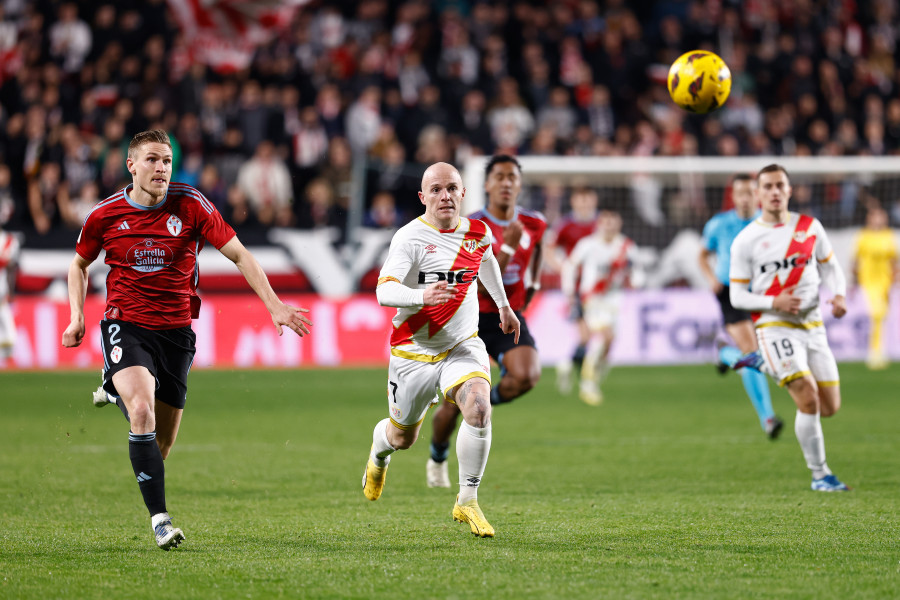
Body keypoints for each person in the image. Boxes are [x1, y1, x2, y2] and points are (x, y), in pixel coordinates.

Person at [62, 130, 313, 550]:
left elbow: (240, 254)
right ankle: (160, 521)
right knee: (142, 412)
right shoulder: (105, 215)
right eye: (152, 160)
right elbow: (78, 265)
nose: (161, 168)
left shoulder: (192, 204)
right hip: (126, 324)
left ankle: (113, 387)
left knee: (160, 444)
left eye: (166, 160)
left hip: (177, 333)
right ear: (131, 165)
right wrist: (76, 317)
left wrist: (274, 305)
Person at [363, 161, 520, 538]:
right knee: (404, 438)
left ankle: (467, 500)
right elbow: (384, 290)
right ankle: (378, 453)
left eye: (451, 187)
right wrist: (422, 295)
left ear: (463, 193)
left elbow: (486, 261)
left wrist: (503, 306)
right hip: (412, 353)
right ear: (423, 197)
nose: (445, 195)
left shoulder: (477, 232)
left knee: (479, 407)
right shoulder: (409, 238)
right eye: (435, 189)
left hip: (460, 345)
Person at [425, 155, 545, 489]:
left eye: (512, 177)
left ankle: (478, 401)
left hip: (507, 315)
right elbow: (474, 282)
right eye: (499, 177)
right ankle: (437, 456)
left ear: (519, 184)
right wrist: (506, 246)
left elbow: (537, 257)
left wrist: (532, 289)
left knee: (527, 376)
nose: (506, 183)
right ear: (487, 184)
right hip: (470, 317)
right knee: (451, 407)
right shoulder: (470, 225)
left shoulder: (535, 223)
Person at [729, 164, 850, 492]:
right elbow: (737, 295)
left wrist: (838, 295)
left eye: (780, 185)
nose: (774, 192)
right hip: (775, 325)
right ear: (757, 194)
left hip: (813, 325)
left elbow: (832, 268)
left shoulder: (810, 227)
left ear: (790, 189)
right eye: (767, 186)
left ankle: (762, 362)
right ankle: (820, 474)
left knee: (830, 407)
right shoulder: (746, 240)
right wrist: (774, 302)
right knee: (807, 398)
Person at [699, 174, 783, 439]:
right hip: (730, 293)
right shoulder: (719, 224)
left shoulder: (770, 224)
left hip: (760, 292)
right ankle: (768, 418)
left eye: (749, 192)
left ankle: (724, 354)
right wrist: (711, 278)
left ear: (757, 195)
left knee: (762, 355)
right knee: (753, 354)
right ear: (733, 197)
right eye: (740, 193)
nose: (745, 198)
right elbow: (702, 254)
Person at [560, 210, 639, 405]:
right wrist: (569, 292)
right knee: (603, 336)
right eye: (606, 222)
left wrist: (636, 280)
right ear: (599, 224)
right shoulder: (588, 244)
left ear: (619, 224)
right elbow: (570, 266)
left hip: (614, 301)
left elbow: (637, 271)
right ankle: (588, 383)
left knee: (608, 341)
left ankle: (568, 364)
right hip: (592, 299)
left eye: (613, 222)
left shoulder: (626, 246)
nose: (609, 226)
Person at [548, 187, 598, 394]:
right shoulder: (566, 225)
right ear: (574, 202)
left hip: (598, 288)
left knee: (591, 334)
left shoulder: (601, 223)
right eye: (581, 201)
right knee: (587, 334)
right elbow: (549, 248)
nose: (585, 205)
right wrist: (561, 269)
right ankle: (585, 378)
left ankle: (569, 366)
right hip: (576, 288)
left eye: (588, 201)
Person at [852, 206, 897, 370]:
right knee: (876, 314)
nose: (878, 220)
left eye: (881, 216)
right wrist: (854, 282)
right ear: (869, 219)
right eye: (875, 216)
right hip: (868, 282)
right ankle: (874, 353)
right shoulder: (863, 236)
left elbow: (894, 260)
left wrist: (895, 278)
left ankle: (878, 351)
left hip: (885, 282)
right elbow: (855, 261)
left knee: (882, 316)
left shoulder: (888, 235)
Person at [0, 223, 21, 362]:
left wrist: (11, 291)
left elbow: (10, 268)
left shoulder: (8, 240)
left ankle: (7, 362)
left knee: (10, 336)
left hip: (2, 292)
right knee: (9, 335)